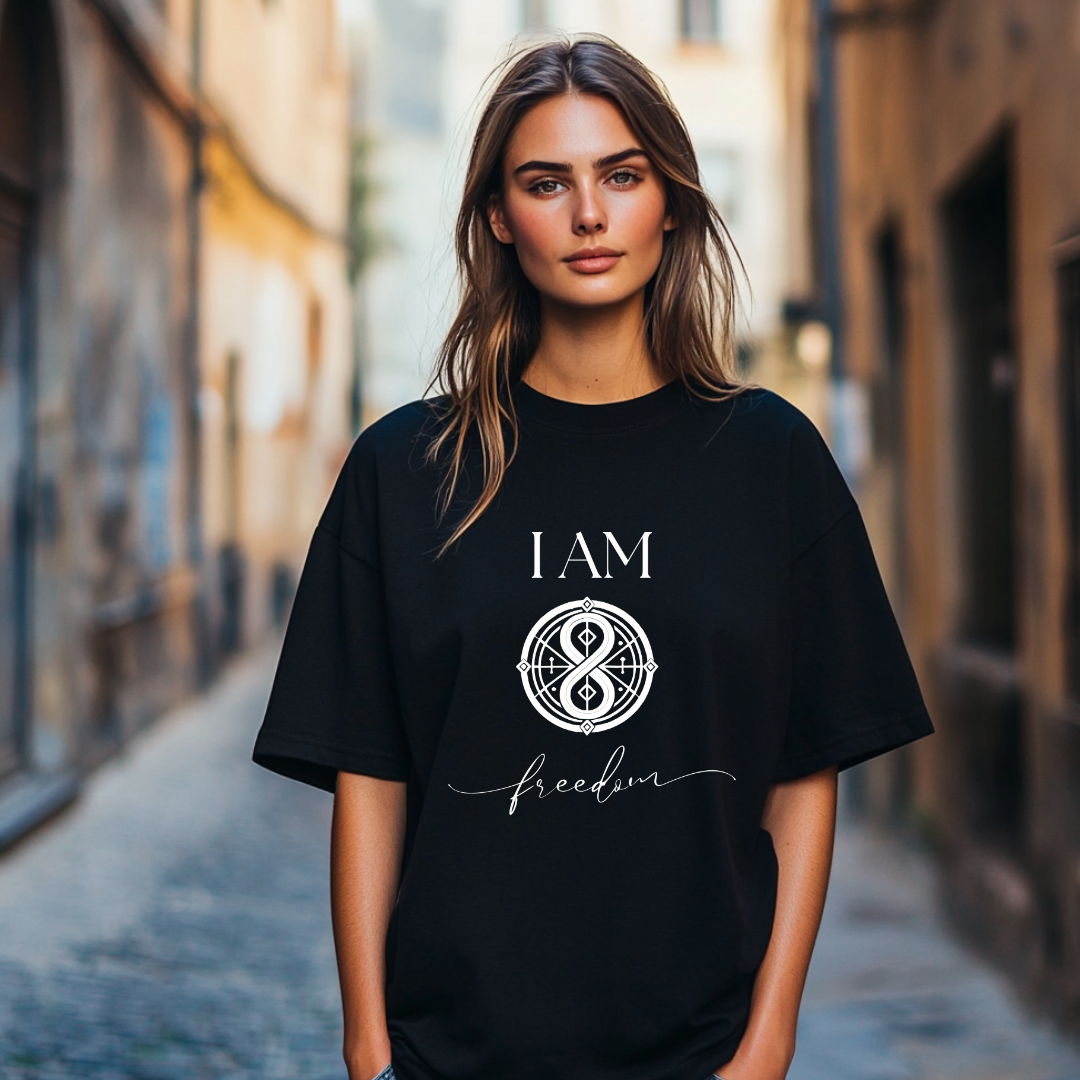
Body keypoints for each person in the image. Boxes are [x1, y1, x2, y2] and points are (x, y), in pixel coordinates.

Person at [252, 33, 934, 1080]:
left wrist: (768, 1043)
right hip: (454, 1053)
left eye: (622, 175)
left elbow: (806, 765)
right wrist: (368, 1047)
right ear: (496, 215)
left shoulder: (770, 460)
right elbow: (370, 772)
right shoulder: (403, 470)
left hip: (703, 1052)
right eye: (545, 182)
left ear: (671, 201)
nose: (587, 214)